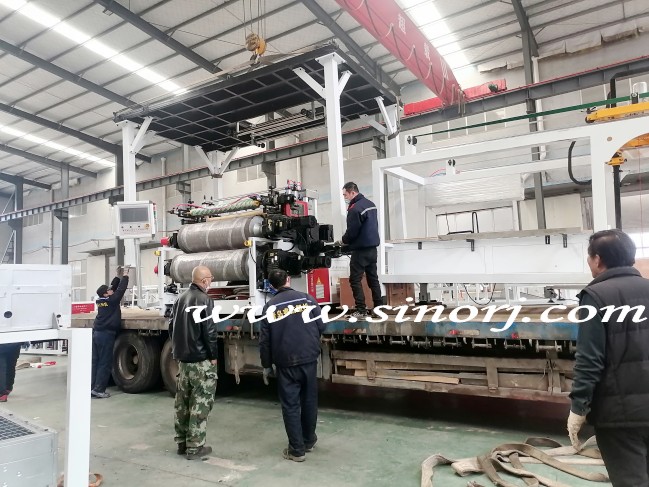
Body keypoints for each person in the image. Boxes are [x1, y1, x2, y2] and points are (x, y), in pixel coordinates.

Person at [568, 229, 649, 486]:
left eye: (589, 256)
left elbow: (590, 359)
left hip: (619, 416)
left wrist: (578, 408)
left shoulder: (596, 296)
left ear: (598, 259)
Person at [259, 269, 325, 462]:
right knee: (309, 400)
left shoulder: (270, 307)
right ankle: (308, 440)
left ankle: (297, 450)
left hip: (285, 362)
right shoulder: (307, 299)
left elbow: (265, 341)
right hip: (308, 358)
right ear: (289, 279)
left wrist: (266, 365)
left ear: (271, 286)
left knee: (290, 405)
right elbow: (321, 326)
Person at [169, 265, 218, 461]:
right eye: (211, 278)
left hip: (183, 361)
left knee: (183, 403)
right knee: (200, 403)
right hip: (200, 361)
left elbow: (171, 327)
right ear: (204, 280)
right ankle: (195, 447)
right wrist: (213, 355)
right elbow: (209, 330)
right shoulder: (205, 300)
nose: (211, 281)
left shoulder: (180, 299)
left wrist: (177, 351)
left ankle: (181, 443)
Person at [340, 182, 383, 319]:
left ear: (352, 192)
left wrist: (343, 241)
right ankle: (379, 309)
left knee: (355, 280)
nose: (345, 197)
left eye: (345, 195)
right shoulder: (371, 204)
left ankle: (361, 310)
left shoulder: (355, 209)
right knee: (373, 279)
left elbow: (352, 232)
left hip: (360, 251)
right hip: (373, 249)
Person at [91, 266, 129, 398]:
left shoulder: (101, 300)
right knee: (104, 362)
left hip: (97, 333)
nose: (111, 290)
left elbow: (114, 288)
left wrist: (117, 276)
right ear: (105, 294)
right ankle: (99, 389)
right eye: (108, 290)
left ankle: (92, 387)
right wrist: (125, 275)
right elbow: (120, 290)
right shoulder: (112, 301)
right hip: (106, 335)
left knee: (95, 362)